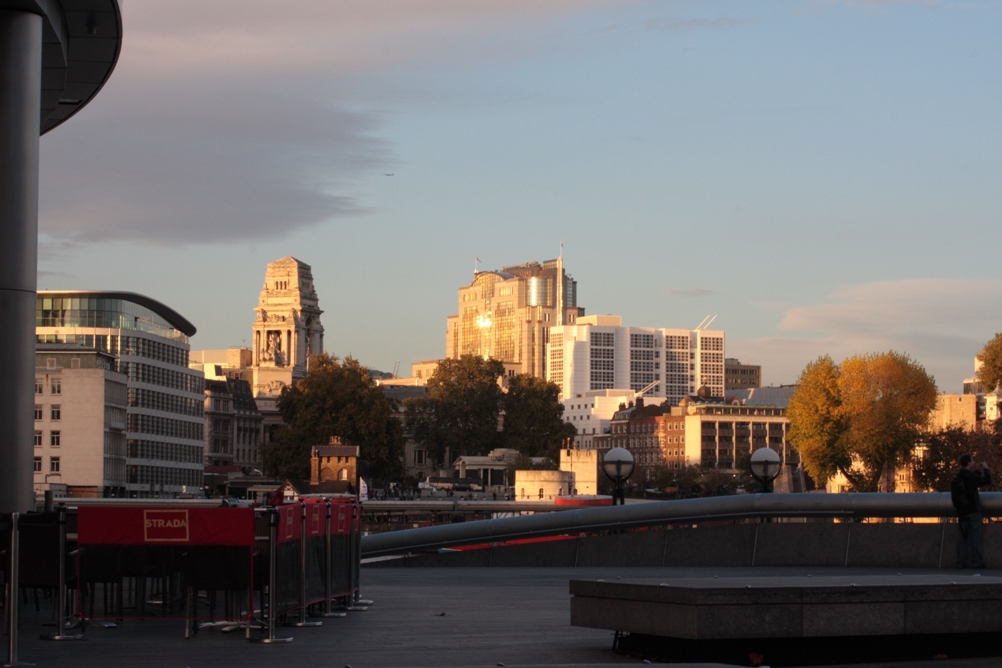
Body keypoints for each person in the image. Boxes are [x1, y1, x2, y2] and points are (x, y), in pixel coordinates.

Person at [953, 453, 992, 569]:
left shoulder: (958, 477)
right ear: (969, 463)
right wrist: (986, 468)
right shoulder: (970, 477)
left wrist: (977, 471)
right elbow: (987, 481)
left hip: (962, 512)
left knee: (962, 538)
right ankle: (977, 562)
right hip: (973, 511)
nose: (974, 463)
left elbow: (969, 480)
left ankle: (960, 562)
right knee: (975, 537)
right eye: (972, 461)